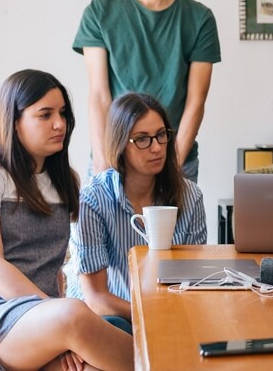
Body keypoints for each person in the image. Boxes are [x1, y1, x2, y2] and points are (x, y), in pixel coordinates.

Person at [0, 70, 131, 371]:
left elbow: (54, 269)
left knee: (96, 359)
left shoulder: (62, 181)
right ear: (14, 120)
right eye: (45, 114)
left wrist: (57, 330)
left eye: (63, 113)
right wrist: (58, 319)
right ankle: (177, 362)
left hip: (39, 323)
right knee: (76, 316)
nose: (59, 123)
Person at [74, 0, 220, 181]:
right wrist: (103, 162)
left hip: (176, 158)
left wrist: (172, 167)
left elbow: (196, 102)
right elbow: (99, 95)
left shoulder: (200, 19)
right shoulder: (100, 13)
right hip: (116, 158)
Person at [69, 92, 207, 328]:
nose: (156, 148)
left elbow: (193, 281)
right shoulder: (92, 200)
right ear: (121, 144)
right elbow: (96, 299)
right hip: (106, 320)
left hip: (167, 314)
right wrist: (154, 314)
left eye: (161, 135)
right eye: (142, 139)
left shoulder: (191, 196)